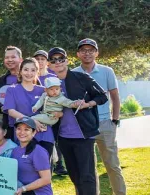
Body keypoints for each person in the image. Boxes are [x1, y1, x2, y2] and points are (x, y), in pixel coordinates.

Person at [48, 47, 108, 195]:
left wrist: (88, 104)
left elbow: (102, 96)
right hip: (63, 138)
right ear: (49, 64)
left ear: (67, 61)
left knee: (87, 176)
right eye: (53, 60)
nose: (58, 62)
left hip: (83, 136)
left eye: (61, 59)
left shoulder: (81, 77)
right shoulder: (47, 83)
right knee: (75, 176)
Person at [71, 38, 126, 195]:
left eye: (90, 50)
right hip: (81, 127)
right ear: (78, 54)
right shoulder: (73, 74)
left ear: (96, 53)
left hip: (104, 123)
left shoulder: (107, 71)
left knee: (112, 165)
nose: (87, 53)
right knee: (85, 167)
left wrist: (114, 120)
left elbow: (115, 97)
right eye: (83, 50)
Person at [3, 58, 56, 155]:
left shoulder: (43, 90)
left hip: (44, 133)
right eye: (26, 69)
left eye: (33, 70)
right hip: (23, 134)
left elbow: (52, 108)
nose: (29, 73)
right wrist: (31, 122)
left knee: (45, 167)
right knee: (26, 166)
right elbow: (11, 111)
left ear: (37, 72)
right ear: (20, 71)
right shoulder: (12, 90)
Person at [11, 117, 54, 195]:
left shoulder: (39, 151)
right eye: (19, 129)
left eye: (26, 129)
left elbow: (46, 179)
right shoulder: (15, 151)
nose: (22, 132)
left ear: (34, 132)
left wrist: (24, 188)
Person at [0, 46, 24, 129]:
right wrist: (2, 108)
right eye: (7, 57)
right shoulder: (2, 80)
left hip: (28, 125)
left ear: (21, 59)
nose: (10, 60)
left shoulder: (30, 78)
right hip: (9, 126)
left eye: (13, 57)